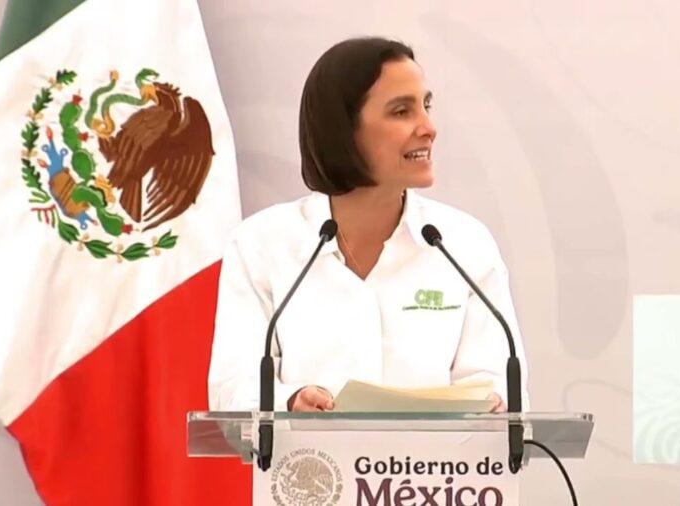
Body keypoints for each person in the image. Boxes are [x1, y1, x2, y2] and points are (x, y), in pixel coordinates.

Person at [207, 37, 530, 413]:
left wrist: (492, 406)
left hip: (438, 470)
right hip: (312, 470)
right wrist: (290, 401)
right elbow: (233, 393)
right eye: (401, 111)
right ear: (342, 129)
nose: (428, 127)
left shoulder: (464, 244)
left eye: (425, 106)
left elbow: (500, 387)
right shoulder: (261, 244)